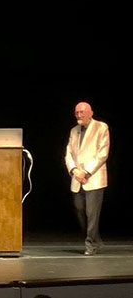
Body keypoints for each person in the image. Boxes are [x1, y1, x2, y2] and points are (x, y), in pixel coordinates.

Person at [65, 101, 110, 255]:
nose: (79, 115)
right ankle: (96, 239)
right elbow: (68, 153)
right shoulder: (74, 131)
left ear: (91, 113)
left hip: (94, 178)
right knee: (80, 210)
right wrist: (74, 170)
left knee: (92, 213)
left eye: (82, 112)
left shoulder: (101, 127)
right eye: (77, 112)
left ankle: (90, 244)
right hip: (77, 178)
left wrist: (87, 172)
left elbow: (103, 153)